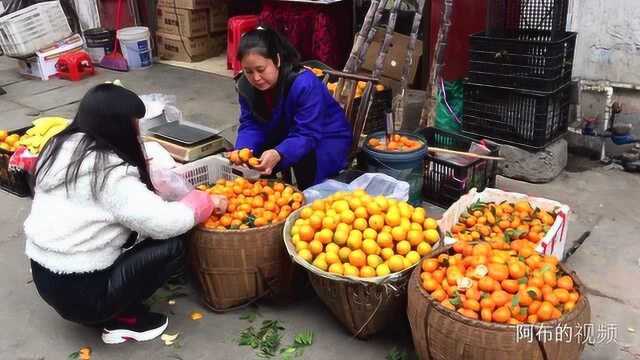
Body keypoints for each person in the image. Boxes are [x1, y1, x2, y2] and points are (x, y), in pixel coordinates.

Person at [24, 84, 219, 344]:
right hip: (85, 294)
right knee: (172, 244)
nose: (137, 130)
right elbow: (164, 223)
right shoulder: (109, 174)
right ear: (117, 127)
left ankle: (105, 305)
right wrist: (201, 203)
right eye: (134, 124)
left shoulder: (63, 147)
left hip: (46, 277)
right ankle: (123, 319)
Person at [234, 26, 353, 190]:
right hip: (286, 130)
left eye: (261, 69)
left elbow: (307, 133)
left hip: (326, 136)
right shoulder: (245, 86)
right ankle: (270, 197)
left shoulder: (304, 84)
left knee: (307, 169)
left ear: (277, 60)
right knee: (254, 161)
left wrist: (279, 153)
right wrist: (242, 150)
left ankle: (305, 196)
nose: (256, 78)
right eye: (248, 71)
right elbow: (250, 124)